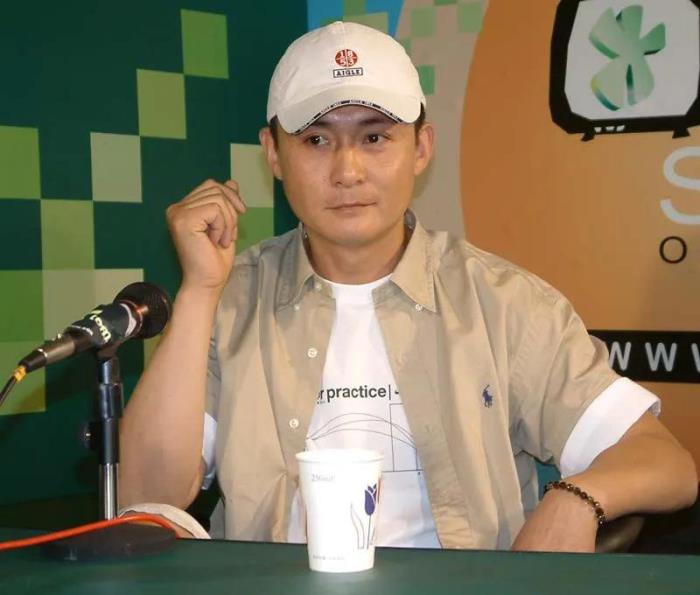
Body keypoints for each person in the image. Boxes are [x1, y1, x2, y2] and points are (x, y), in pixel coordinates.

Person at [119, 21, 697, 551]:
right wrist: (199, 290)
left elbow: (665, 462)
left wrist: (578, 499)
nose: (348, 171)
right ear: (274, 154)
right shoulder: (229, 301)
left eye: (375, 138)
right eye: (316, 140)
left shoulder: (502, 303)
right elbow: (146, 496)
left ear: (421, 148)